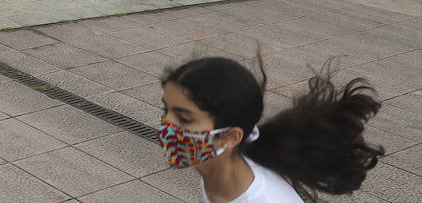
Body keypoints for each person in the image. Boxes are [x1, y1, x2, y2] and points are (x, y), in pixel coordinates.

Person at [159, 56, 382, 202]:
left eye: (184, 119)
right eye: (166, 109)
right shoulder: (216, 173)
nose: (166, 124)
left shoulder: (261, 198)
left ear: (231, 137)